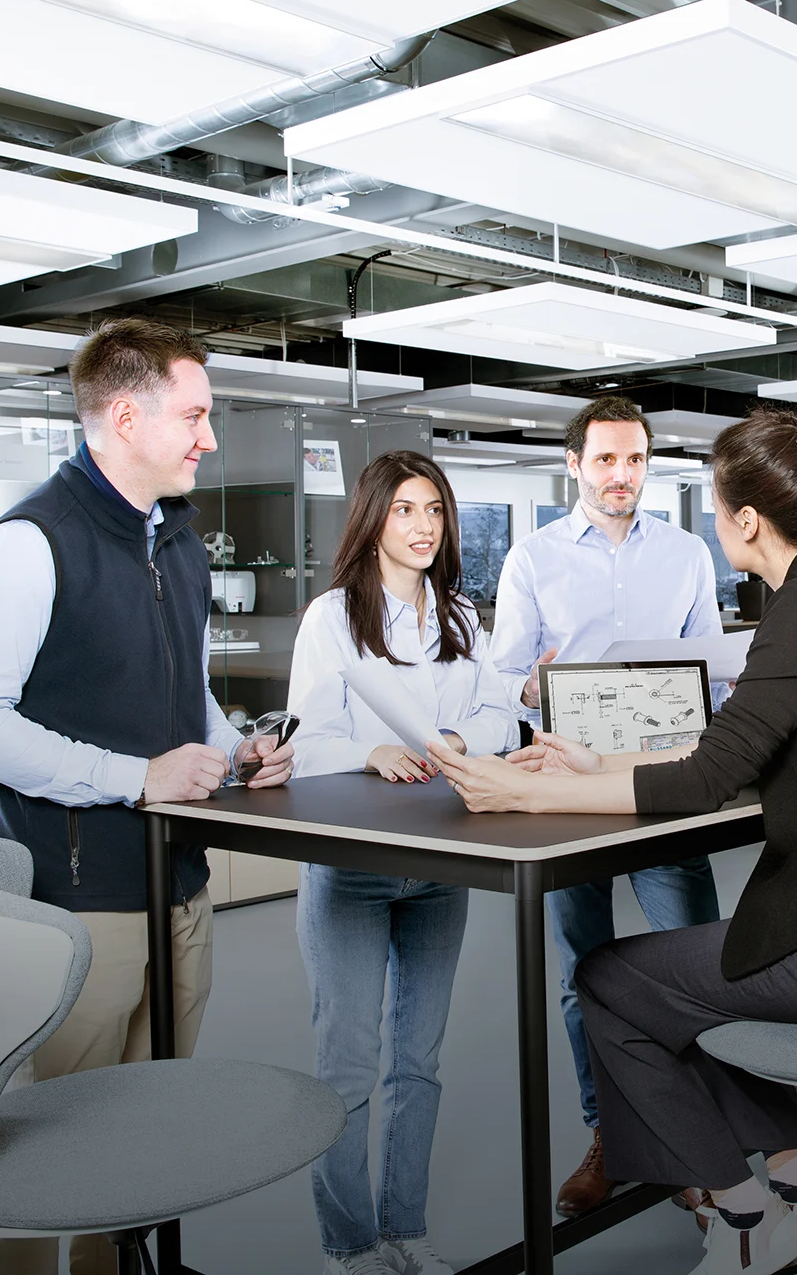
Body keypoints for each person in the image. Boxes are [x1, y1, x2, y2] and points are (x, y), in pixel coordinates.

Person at [432, 409, 797, 1275]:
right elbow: (727, 745)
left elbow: (706, 776)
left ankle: (742, 1212)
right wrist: (596, 760)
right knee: (689, 978)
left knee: (611, 979)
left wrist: (524, 789)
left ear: (745, 519)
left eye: (715, 502)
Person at [0, 318, 294, 1275]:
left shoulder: (176, 538)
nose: (208, 438)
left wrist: (233, 746)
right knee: (52, 1154)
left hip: (177, 882)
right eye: (196, 414)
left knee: (141, 1144)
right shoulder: (28, 542)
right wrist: (136, 777)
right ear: (126, 417)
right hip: (80, 902)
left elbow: (183, 691)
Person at [487, 394, 727, 1215]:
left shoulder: (690, 552)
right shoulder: (532, 557)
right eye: (605, 460)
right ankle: (610, 1133)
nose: (621, 475)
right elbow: (503, 675)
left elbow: (712, 668)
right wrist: (531, 679)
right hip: (566, 788)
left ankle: (699, 1139)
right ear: (574, 465)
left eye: (634, 460)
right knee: (580, 972)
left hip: (664, 784)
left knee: (695, 964)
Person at [286, 451, 517, 1275]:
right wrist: (371, 747)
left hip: (439, 863)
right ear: (373, 520)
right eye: (405, 511)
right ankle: (349, 1247)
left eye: (435, 511)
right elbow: (303, 744)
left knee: (418, 1064)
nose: (423, 527)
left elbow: (499, 718)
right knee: (346, 1066)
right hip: (352, 866)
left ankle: (405, 1228)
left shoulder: (459, 616)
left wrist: (456, 740)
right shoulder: (331, 618)